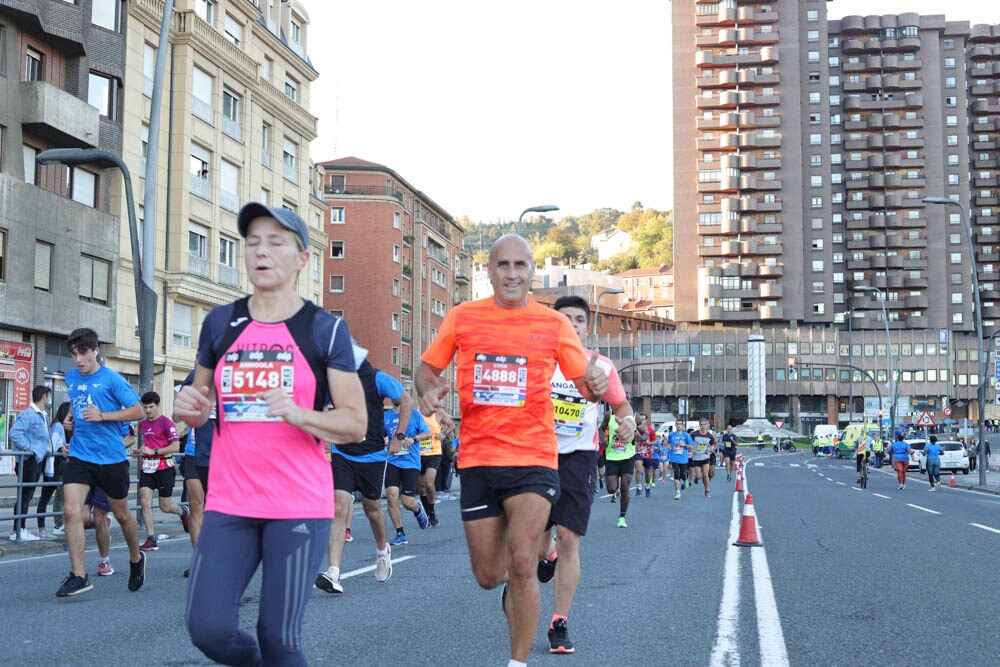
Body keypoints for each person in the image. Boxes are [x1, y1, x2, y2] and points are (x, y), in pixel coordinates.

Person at [173, 203, 366, 665]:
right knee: (209, 629)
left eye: (276, 242)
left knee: (279, 637)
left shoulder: (325, 329)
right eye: (253, 242)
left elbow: (355, 423)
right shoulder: (220, 323)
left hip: (297, 504)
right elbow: (196, 404)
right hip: (230, 502)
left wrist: (302, 415)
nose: (262, 252)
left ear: (302, 259)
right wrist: (190, 409)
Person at [415, 234, 608, 667]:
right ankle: (521, 583)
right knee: (488, 575)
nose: (512, 274)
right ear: (489, 270)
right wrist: (428, 391)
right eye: (503, 265)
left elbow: (584, 384)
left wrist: (594, 385)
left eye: (520, 265)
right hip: (480, 458)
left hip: (535, 457)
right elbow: (426, 368)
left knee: (523, 561)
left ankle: (517, 661)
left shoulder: (554, 324)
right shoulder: (462, 317)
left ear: (532, 271)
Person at [536, 295, 633, 654]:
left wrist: (627, 422)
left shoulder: (600, 366)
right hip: (538, 453)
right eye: (566, 318)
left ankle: (559, 622)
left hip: (579, 455)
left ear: (587, 327)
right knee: (537, 538)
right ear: (554, 323)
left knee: (570, 538)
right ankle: (545, 556)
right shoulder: (539, 363)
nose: (573, 324)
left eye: (579, 319)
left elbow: (621, 406)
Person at [58, 328, 146, 597]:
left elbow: (139, 411)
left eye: (83, 353)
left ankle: (136, 558)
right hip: (80, 455)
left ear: (96, 350)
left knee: (121, 515)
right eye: (73, 354)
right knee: (72, 511)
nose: (78, 359)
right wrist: (69, 417)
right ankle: (79, 576)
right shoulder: (72, 377)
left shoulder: (112, 379)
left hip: (111, 458)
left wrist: (103, 415)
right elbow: (78, 398)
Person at [315, 352, 409, 594]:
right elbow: (321, 405)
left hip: (372, 455)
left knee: (372, 509)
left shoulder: (377, 378)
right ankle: (333, 572)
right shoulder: (333, 378)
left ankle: (381, 550)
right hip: (342, 452)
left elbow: (406, 401)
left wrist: (398, 437)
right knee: (338, 505)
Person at [134, 391, 189, 552]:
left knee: (165, 506)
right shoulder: (143, 424)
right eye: (145, 407)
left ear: (158, 405)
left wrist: (155, 451)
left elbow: (175, 446)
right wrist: (139, 451)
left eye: (151, 407)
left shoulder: (166, 423)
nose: (148, 410)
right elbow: (148, 445)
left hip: (165, 467)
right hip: (148, 468)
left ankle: (182, 511)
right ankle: (151, 538)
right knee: (144, 500)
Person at [175, 370, 214, 578]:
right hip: (193, 450)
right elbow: (177, 413)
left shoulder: (229, 374)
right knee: (196, 505)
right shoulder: (193, 377)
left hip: (222, 452)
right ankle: (199, 559)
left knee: (218, 508)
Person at [383, 402, 431, 546]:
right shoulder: (386, 416)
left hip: (411, 462)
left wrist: (413, 439)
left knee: (406, 501)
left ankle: (417, 509)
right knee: (391, 497)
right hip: (392, 461)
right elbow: (380, 436)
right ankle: (400, 533)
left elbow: (428, 433)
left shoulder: (414, 414)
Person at [9, 385, 52, 542]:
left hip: (37, 460)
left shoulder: (44, 415)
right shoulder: (28, 414)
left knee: (28, 495)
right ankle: (17, 530)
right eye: (49, 396)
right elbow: (14, 433)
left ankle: (22, 528)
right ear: (44, 397)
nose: (49, 399)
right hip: (28, 461)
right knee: (24, 495)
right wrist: (30, 449)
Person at [41, 402, 73, 537]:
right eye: (70, 415)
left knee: (58, 496)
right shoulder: (58, 426)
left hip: (58, 466)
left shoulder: (59, 426)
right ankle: (58, 524)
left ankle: (57, 524)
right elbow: (54, 446)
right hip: (58, 466)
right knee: (60, 496)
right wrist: (63, 449)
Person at [418, 409, 454, 528]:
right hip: (418, 454)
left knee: (429, 483)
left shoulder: (438, 412)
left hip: (434, 453)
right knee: (422, 488)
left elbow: (451, 425)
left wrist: (443, 434)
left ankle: (432, 513)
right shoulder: (415, 412)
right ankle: (427, 513)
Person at [667, 419, 695, 500]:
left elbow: (692, 446)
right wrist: (669, 446)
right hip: (674, 458)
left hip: (683, 459)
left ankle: (686, 480)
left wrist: (684, 445)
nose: (679, 425)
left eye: (680, 424)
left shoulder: (686, 435)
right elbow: (668, 443)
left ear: (682, 426)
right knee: (676, 475)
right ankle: (678, 493)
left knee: (683, 475)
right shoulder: (671, 435)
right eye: (677, 424)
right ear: (675, 425)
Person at [690, 419, 717, 498]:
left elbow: (712, 445)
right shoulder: (694, 434)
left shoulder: (709, 436)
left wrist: (712, 449)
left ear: (707, 425)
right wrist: (691, 449)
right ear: (699, 425)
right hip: (697, 457)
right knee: (699, 476)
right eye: (701, 424)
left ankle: (707, 490)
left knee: (705, 474)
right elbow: (689, 443)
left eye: (704, 424)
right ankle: (696, 477)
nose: (703, 426)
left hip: (706, 457)